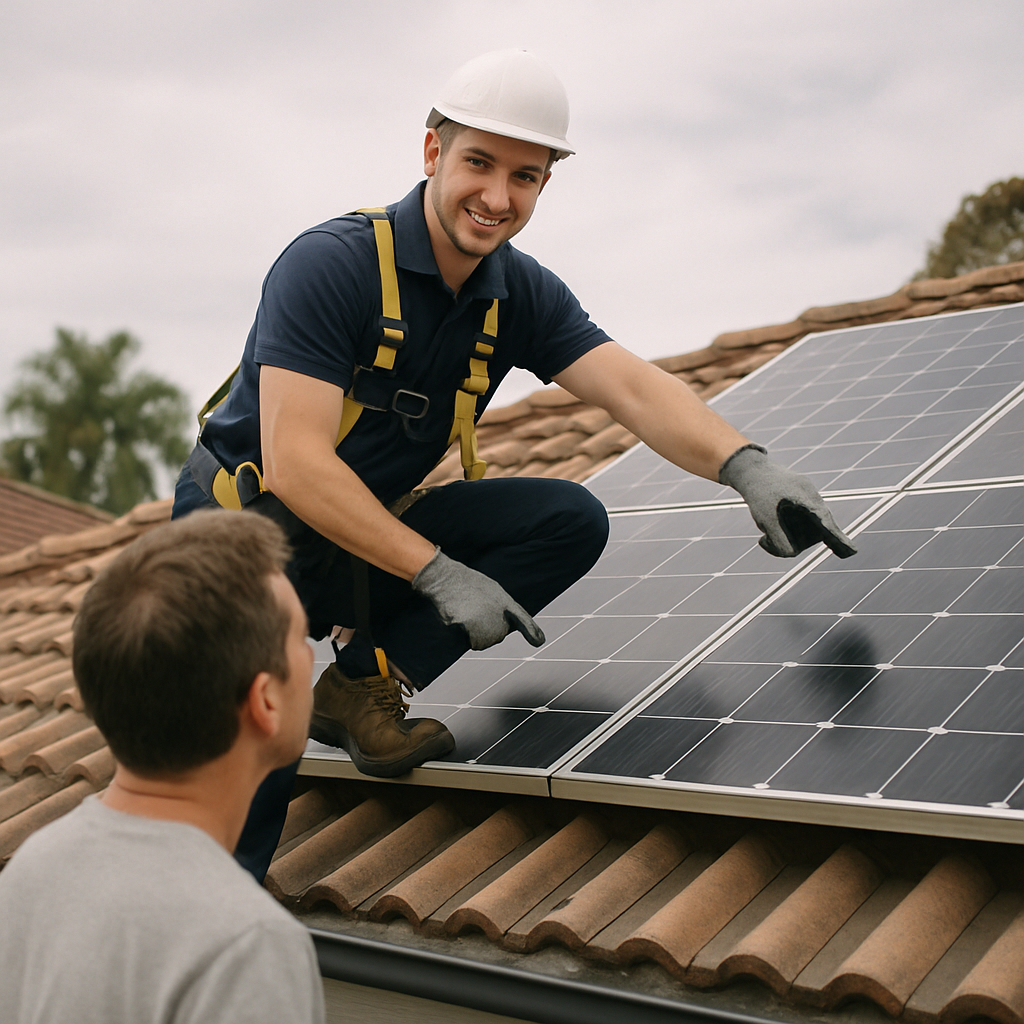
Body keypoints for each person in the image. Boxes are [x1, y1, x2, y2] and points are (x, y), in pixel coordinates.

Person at [172, 49, 855, 880]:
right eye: (478, 164)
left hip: (361, 535)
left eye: (526, 177)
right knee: (261, 734)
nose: (497, 198)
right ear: (432, 154)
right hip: (240, 537)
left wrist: (745, 464)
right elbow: (296, 463)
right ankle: (217, 912)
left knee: (566, 520)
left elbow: (633, 388)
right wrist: (432, 570)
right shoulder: (332, 265)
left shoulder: (517, 294)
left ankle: (362, 686)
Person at [0, 511, 325, 1024]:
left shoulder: (32, 871)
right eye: (301, 637)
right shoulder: (245, 946)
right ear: (265, 701)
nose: (310, 655)